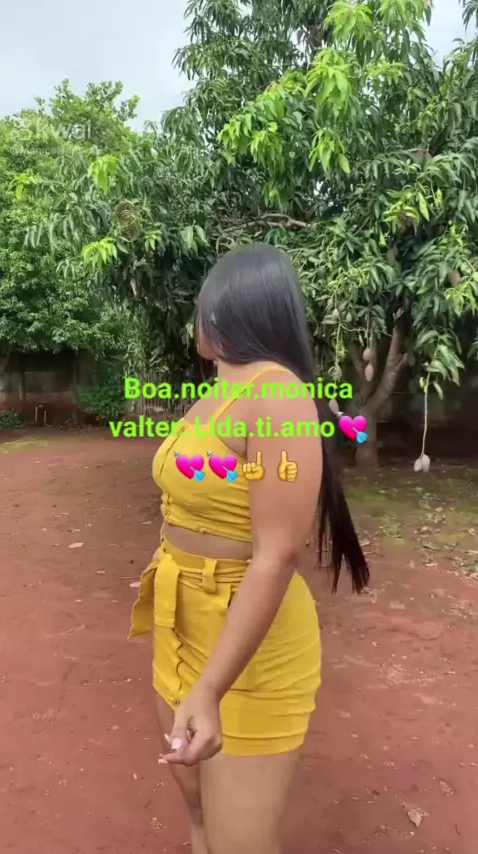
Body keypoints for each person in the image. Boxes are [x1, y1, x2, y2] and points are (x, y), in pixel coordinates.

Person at [130, 242, 370, 854]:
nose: (196, 318)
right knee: (200, 817)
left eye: (204, 305)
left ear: (232, 309)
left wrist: (210, 688)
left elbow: (275, 553)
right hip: (180, 623)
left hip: (247, 646)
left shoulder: (277, 395)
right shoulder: (215, 393)